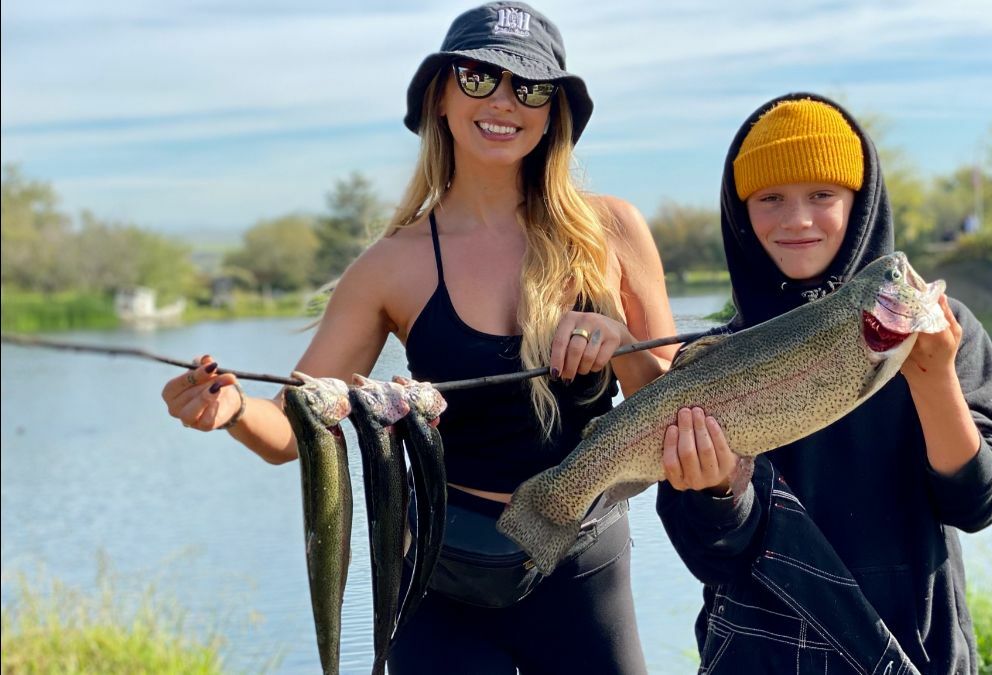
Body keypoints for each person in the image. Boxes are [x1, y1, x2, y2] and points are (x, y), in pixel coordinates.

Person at [161, 4, 677, 673]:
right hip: (443, 573)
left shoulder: (612, 231)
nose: (504, 100)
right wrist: (229, 410)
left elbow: (676, 406)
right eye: (478, 75)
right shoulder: (390, 265)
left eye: (530, 86)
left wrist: (623, 340)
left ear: (554, 111)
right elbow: (294, 432)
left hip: (583, 564)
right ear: (440, 94)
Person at [657, 93, 992, 674]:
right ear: (742, 214)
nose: (797, 219)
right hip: (757, 655)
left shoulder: (946, 335)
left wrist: (934, 381)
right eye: (771, 199)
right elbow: (709, 555)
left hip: (914, 648)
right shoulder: (710, 362)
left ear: (861, 203)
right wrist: (721, 489)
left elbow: (976, 504)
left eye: (823, 195)